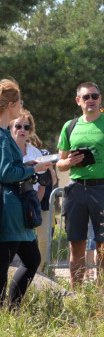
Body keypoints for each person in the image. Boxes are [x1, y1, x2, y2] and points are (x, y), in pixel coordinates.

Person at [0, 79, 52, 310]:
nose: (21, 106)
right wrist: (33, 168)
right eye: (20, 102)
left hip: (12, 201)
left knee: (30, 259)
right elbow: (5, 173)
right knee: (3, 261)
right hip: (8, 202)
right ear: (10, 105)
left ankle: (9, 309)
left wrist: (28, 165)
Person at [57, 81, 104, 287]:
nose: (91, 100)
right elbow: (60, 163)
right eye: (86, 97)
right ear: (79, 101)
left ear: (100, 99)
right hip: (76, 189)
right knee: (76, 243)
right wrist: (69, 162)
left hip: (102, 189)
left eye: (95, 96)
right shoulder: (70, 126)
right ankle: (76, 293)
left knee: (102, 246)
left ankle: (101, 294)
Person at [11, 109, 55, 270]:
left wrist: (33, 206)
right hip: (8, 209)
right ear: (10, 128)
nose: (22, 130)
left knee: (31, 256)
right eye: (18, 126)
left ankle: (38, 277)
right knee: (8, 254)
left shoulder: (35, 152)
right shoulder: (5, 149)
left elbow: (42, 184)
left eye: (26, 127)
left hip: (29, 208)